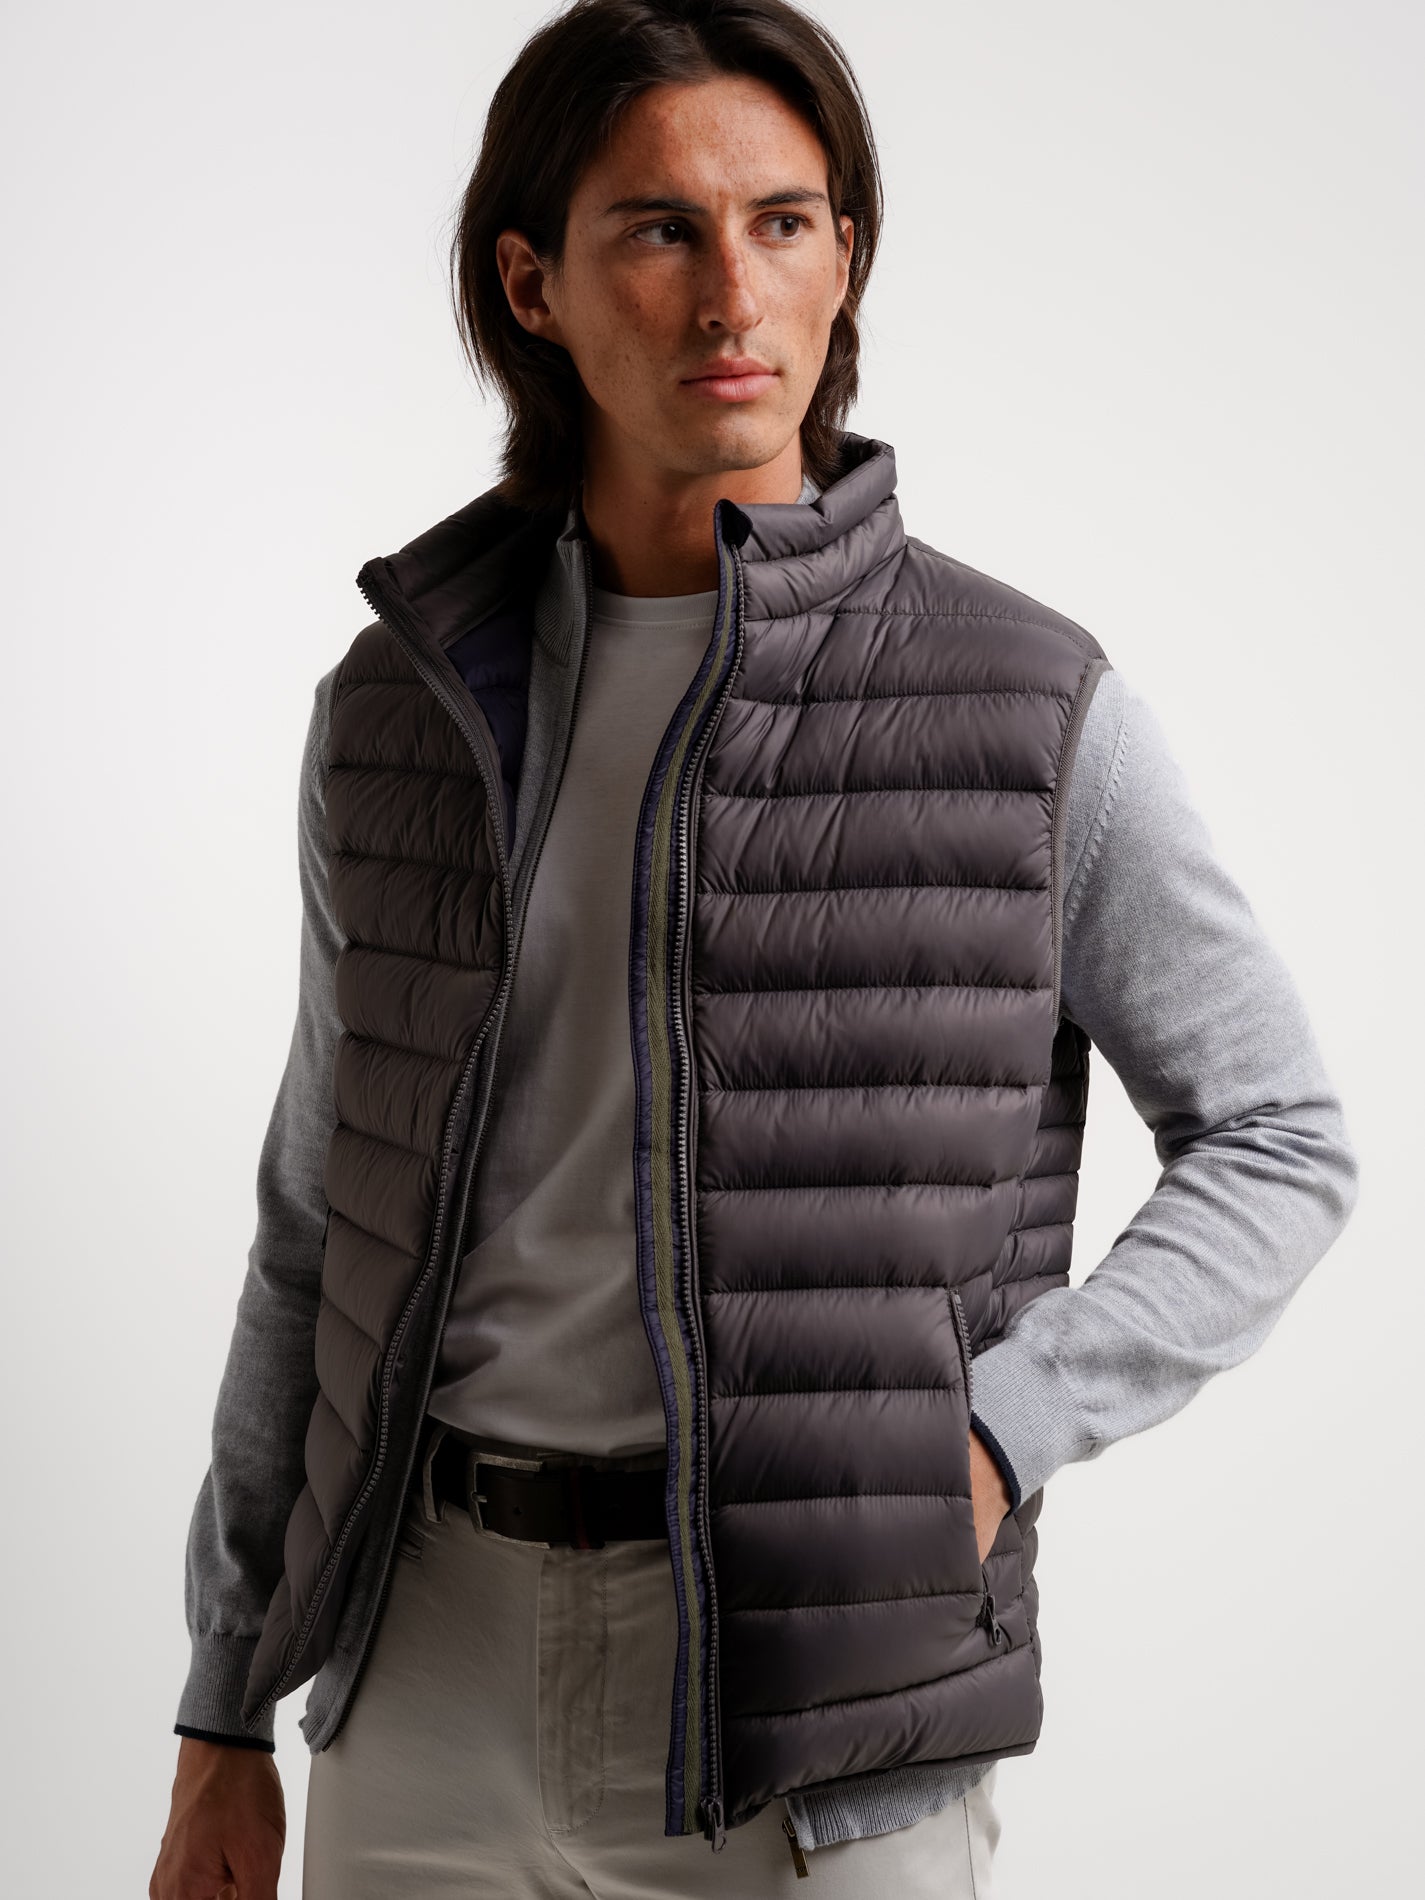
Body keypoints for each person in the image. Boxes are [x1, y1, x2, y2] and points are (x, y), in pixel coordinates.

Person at [149, 3, 1359, 1896]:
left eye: (782, 223)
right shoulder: (399, 709)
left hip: (818, 1711)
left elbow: (1278, 1134)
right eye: (659, 229)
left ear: (842, 258)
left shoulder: (1026, 704)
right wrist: (224, 1704)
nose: (731, 292)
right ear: (533, 285)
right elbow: (320, 1221)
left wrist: (1000, 1430)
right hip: (425, 1671)